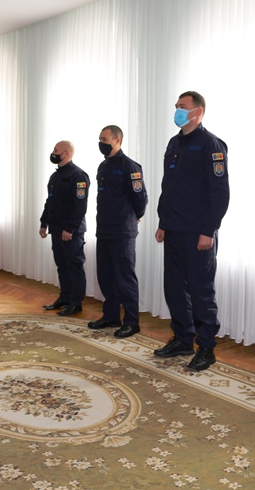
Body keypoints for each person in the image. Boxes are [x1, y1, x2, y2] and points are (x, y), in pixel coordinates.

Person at [154, 91, 230, 371]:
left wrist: (209, 231)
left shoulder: (211, 144)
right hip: (174, 228)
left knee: (200, 291)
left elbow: (219, 193)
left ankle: (206, 347)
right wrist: (163, 222)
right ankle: (183, 338)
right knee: (174, 288)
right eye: (176, 106)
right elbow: (169, 186)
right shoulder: (174, 143)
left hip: (198, 232)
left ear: (197, 112)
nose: (177, 110)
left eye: (182, 106)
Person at [88, 125, 148, 338]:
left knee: (124, 278)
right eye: (100, 139)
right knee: (106, 276)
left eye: (105, 139)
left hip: (122, 231)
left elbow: (140, 198)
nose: (101, 143)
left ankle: (132, 322)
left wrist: (134, 216)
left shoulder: (130, 166)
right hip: (104, 229)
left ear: (118, 140)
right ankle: (111, 316)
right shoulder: (103, 166)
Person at [40, 141, 90, 316]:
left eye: (56, 150)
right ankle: (65, 298)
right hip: (56, 228)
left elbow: (80, 206)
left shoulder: (78, 175)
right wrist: (43, 223)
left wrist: (70, 228)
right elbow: (50, 202)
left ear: (67, 153)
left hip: (71, 232)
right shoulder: (55, 176)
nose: (53, 152)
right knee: (62, 265)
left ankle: (76, 303)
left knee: (74, 266)